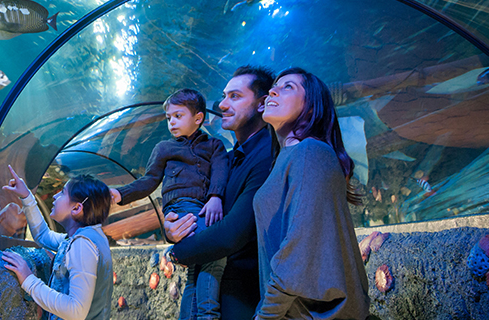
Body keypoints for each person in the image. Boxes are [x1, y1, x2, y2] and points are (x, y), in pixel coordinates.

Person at [252, 67, 369, 319]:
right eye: (274, 86)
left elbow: (299, 247)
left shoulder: (310, 151)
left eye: (288, 87)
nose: (273, 91)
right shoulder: (285, 159)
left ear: (311, 107)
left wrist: (266, 314)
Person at [163, 65, 275, 320]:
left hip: (243, 298)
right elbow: (192, 201)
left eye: (235, 96)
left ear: (262, 103)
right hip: (210, 290)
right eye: (224, 96)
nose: (222, 104)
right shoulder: (227, 158)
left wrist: (176, 252)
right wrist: (171, 228)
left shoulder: (268, 155)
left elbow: (233, 233)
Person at [109, 88, 229, 320]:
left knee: (197, 269)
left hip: (204, 208)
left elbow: (220, 171)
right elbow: (149, 180)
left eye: (178, 116)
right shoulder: (164, 148)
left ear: (198, 118)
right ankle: (208, 315)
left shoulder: (214, 146)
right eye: (168, 117)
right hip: (182, 208)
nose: (171, 122)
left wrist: (215, 196)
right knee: (215, 253)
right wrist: (121, 194)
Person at [1, 165, 113, 320]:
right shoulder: (87, 237)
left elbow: (76, 311)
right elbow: (43, 235)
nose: (55, 196)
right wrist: (26, 197)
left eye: (62, 193)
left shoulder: (83, 244)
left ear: (76, 208)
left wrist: (28, 279)